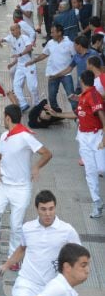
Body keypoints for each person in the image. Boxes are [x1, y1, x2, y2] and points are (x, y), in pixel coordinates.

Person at [0, 105, 52, 257]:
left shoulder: (26, 136)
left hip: (21, 188)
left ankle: (13, 256)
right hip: (2, 185)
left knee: (16, 226)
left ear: (7, 118)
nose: (3, 120)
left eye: (3, 117)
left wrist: (36, 167)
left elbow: (47, 153)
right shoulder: (5, 136)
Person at [0, 190, 80, 296]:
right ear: (37, 209)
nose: (48, 213)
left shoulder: (67, 230)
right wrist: (5, 266)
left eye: (51, 208)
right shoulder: (27, 228)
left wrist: (70, 277)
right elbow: (22, 249)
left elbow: (79, 256)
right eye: (43, 209)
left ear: (55, 208)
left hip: (54, 286)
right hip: (28, 283)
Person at [45, 70, 105, 217]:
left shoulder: (93, 95)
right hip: (83, 137)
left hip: (96, 136)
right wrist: (56, 114)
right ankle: (97, 204)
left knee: (101, 168)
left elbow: (102, 115)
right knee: (90, 172)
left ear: (81, 80)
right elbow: (77, 114)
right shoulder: (83, 97)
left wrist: (104, 138)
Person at [20, 243, 91, 296]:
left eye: (88, 265)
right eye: (83, 266)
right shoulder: (58, 287)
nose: (87, 270)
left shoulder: (65, 288)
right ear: (67, 267)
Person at [26, 24, 76, 113]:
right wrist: (33, 61)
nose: (51, 34)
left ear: (59, 33)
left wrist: (71, 68)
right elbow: (44, 54)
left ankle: (78, 115)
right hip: (53, 75)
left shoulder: (69, 44)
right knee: (52, 97)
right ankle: (56, 114)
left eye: (53, 32)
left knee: (71, 97)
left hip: (66, 75)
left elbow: (75, 57)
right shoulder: (50, 43)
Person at [3, 23, 39, 111]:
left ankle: (37, 103)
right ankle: (23, 104)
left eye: (14, 30)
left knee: (32, 87)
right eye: (11, 30)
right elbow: (18, 56)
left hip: (29, 65)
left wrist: (20, 54)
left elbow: (29, 47)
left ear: (19, 29)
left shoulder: (24, 38)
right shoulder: (15, 41)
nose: (12, 32)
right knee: (16, 85)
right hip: (20, 66)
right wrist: (12, 63)